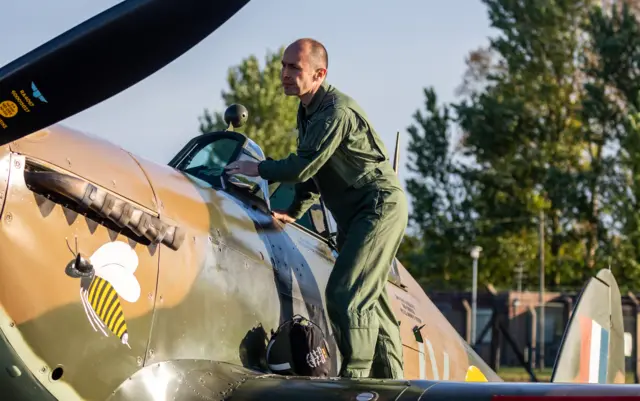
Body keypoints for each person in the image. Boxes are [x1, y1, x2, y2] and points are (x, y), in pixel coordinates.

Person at [224, 38, 408, 379]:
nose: (285, 73)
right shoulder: (308, 111)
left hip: (378, 207)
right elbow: (316, 173)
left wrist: (257, 169)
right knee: (374, 308)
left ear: (319, 74)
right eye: (283, 66)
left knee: (345, 294)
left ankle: (354, 381)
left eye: (295, 67)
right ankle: (393, 385)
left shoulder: (335, 112)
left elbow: (302, 167)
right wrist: (295, 211)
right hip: (357, 216)